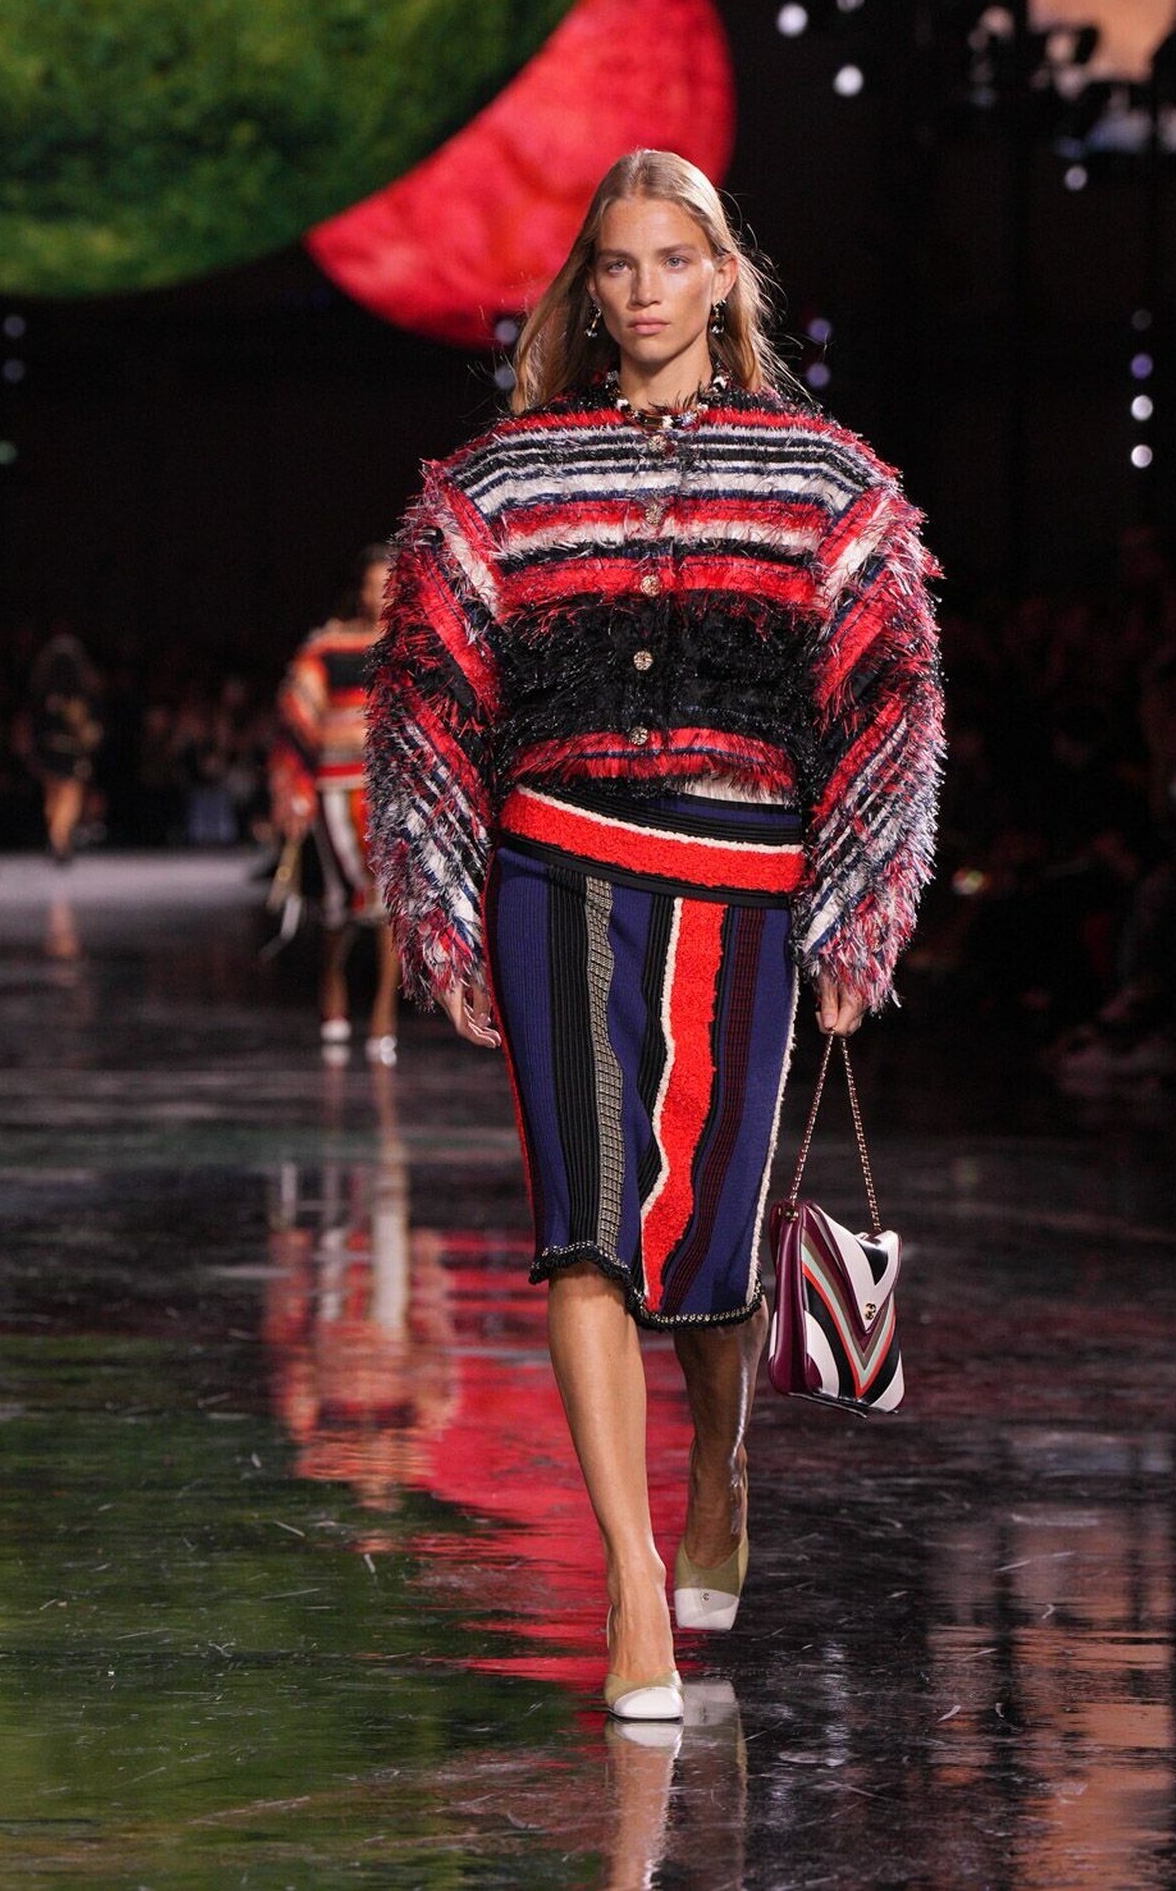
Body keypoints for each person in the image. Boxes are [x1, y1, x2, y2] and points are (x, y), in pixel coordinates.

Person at [367, 150, 943, 1719]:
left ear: (721, 278)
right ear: (589, 287)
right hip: (553, 867)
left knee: (710, 1252)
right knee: (586, 1228)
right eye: (616, 264)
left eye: (672, 260)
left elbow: (890, 690)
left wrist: (860, 911)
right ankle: (631, 1586)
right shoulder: (505, 482)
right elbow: (427, 690)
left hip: (746, 885)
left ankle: (720, 1470)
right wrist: (443, 907)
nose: (641, 291)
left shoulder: (820, 480)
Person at [270, 546, 401, 1062]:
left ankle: (384, 1018)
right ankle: (334, 987)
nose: (379, 595)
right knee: (342, 900)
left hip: (394, 790)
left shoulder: (415, 645)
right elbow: (297, 715)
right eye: (372, 584)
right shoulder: (327, 647)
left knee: (391, 902)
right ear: (358, 589)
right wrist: (294, 790)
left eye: (388, 583)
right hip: (335, 791)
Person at [28, 633, 104, 862]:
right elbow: (86, 727)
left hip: (48, 750)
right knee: (68, 796)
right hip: (69, 751)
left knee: (53, 796)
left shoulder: (41, 691)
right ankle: (60, 839)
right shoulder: (80, 694)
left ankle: (58, 837)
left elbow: (34, 725)